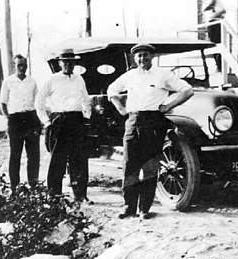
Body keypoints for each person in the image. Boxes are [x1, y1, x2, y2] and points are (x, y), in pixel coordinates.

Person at [107, 43, 194, 220]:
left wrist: (169, 106)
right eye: (139, 56)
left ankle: (144, 208)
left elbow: (187, 90)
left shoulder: (163, 75)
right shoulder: (129, 76)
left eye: (146, 55)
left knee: (150, 166)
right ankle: (128, 207)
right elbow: (112, 90)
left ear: (151, 57)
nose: (142, 59)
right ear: (134, 58)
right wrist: (121, 109)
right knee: (129, 164)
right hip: (133, 120)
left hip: (154, 122)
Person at [35, 48, 93, 204]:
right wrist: (46, 122)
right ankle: (54, 194)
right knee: (58, 159)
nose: (68, 64)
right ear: (60, 63)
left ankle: (80, 194)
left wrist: (86, 117)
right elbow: (39, 101)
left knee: (79, 159)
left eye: (71, 62)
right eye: (65, 62)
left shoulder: (79, 79)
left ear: (75, 63)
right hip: (59, 121)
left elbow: (86, 100)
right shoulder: (52, 80)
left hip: (77, 120)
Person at [0, 54, 42, 195]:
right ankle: (15, 188)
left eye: (24, 65)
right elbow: (3, 103)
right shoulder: (8, 82)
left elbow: (38, 101)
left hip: (31, 118)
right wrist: (9, 119)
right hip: (16, 119)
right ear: (14, 66)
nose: (22, 68)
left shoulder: (32, 81)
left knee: (33, 155)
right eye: (19, 65)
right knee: (15, 155)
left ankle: (34, 185)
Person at [203, 0, 226, 72]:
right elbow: (206, 13)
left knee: (219, 45)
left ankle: (221, 66)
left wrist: (214, 14)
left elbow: (223, 11)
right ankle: (218, 66)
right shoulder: (207, 3)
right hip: (211, 25)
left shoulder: (219, 3)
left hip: (217, 24)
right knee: (213, 45)